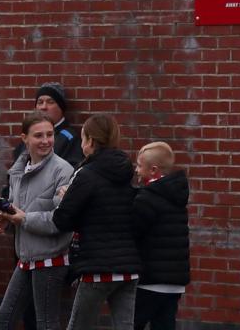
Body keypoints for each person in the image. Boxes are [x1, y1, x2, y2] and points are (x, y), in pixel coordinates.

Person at [53, 114, 141, 330]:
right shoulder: (127, 170)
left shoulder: (86, 173)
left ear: (90, 141)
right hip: (129, 267)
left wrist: (65, 198)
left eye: (82, 139)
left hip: (97, 267)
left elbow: (62, 220)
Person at [0, 112, 75, 330]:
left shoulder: (63, 170)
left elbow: (61, 220)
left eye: (50, 134)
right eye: (39, 135)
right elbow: (16, 207)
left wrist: (23, 218)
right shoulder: (18, 170)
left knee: (46, 324)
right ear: (24, 138)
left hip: (51, 258)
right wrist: (6, 218)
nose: (46, 140)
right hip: (26, 257)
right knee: (3, 320)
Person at [132, 142, 190, 330]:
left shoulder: (147, 198)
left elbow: (133, 232)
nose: (136, 170)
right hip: (174, 281)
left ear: (153, 170)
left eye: (140, 166)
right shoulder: (176, 197)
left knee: (131, 323)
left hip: (151, 279)